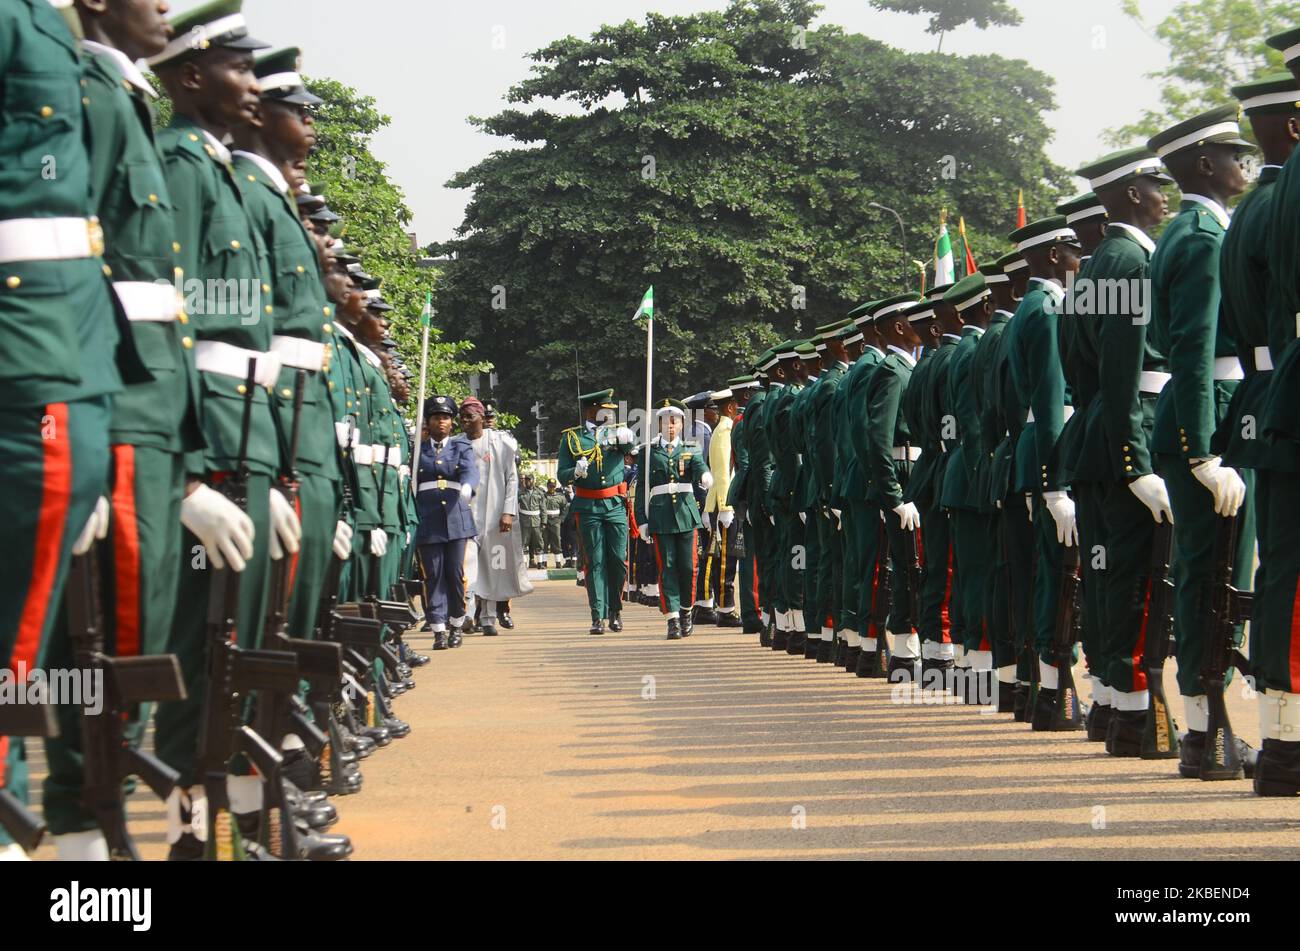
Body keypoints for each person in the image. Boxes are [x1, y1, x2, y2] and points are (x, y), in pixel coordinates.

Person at [1148, 106, 1256, 778]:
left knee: (1216, 575)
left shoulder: (1200, 230)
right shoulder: (1199, 239)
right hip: (1206, 417)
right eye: (1231, 151)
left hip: (1214, 410)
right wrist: (1202, 451)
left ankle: (1205, 725)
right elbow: (1191, 351)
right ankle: (1203, 729)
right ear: (1201, 163)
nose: (1243, 161)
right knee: (1208, 577)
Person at [1073, 147, 1174, 748]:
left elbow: (1082, 368)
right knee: (1136, 576)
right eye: (1158, 187)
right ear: (1133, 194)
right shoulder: (1132, 263)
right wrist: (1135, 458)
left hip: (1097, 433)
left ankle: (1112, 704)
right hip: (1129, 428)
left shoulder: (1093, 265)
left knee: (1106, 575)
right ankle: (1136, 712)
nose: (1166, 197)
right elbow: (1120, 368)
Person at [1004, 215, 1083, 730]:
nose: (1081, 259)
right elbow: (1052, 397)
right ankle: (1054, 695)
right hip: (1051, 454)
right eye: (1074, 249)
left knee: (1045, 574)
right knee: (1057, 577)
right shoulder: (1049, 308)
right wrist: (1056, 482)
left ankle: (1045, 691)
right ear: (1053, 254)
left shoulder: (1025, 309)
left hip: (1034, 450)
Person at [556, 389, 635, 634]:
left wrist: (628, 438)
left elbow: (630, 450)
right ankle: (597, 615)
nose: (610, 414)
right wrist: (574, 473)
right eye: (605, 410)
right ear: (591, 411)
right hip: (588, 506)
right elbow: (562, 474)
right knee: (595, 561)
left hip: (614, 505)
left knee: (618, 561)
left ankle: (615, 610)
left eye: (611, 411)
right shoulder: (572, 438)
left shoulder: (617, 433)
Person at [635, 399, 712, 639]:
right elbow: (641, 489)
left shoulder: (691, 447)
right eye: (666, 421)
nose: (670, 425)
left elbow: (699, 466)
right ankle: (672, 618)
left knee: (688, 566)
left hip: (686, 515)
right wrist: (642, 520)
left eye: (675, 421)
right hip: (660, 515)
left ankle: (687, 610)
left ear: (681, 424)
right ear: (659, 424)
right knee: (666, 567)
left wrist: (705, 475)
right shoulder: (648, 451)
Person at [460, 397, 531, 636]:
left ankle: (489, 618)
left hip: (494, 515)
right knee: (467, 567)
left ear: (481, 418)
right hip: (464, 515)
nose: (464, 421)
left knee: (492, 567)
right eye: (462, 416)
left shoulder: (501, 443)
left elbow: (512, 478)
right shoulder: (457, 444)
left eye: (470, 416)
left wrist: (508, 511)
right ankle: (468, 615)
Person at [415, 396, 479, 650]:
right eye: (435, 417)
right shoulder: (418, 450)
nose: (440, 422)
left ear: (451, 422)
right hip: (428, 518)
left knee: (455, 573)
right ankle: (438, 629)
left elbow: (470, 471)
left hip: (456, 516)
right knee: (433, 575)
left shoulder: (461, 446)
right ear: (428, 422)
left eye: (445, 417)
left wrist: (467, 488)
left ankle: (456, 623)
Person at [702, 388, 742, 627]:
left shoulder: (721, 429)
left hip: (719, 501)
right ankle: (726, 609)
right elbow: (725, 472)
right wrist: (726, 505)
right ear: (730, 407)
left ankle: (724, 606)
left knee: (723, 558)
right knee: (726, 560)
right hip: (724, 502)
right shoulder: (726, 430)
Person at [519, 474, 545, 569]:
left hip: (536, 522)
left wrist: (544, 522)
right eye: (526, 480)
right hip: (524, 521)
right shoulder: (520, 493)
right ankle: (524, 564)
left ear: (533, 481)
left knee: (539, 543)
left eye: (529, 480)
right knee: (524, 543)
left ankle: (540, 563)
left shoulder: (539, 493)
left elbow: (543, 508)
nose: (527, 482)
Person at [542, 478, 565, 568]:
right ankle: (543, 561)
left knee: (557, 540)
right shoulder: (543, 496)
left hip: (555, 521)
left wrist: (561, 519)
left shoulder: (560, 497)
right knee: (544, 541)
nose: (551, 488)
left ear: (555, 486)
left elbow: (565, 509)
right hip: (545, 520)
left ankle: (558, 562)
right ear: (547, 486)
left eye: (553, 486)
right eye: (550, 486)